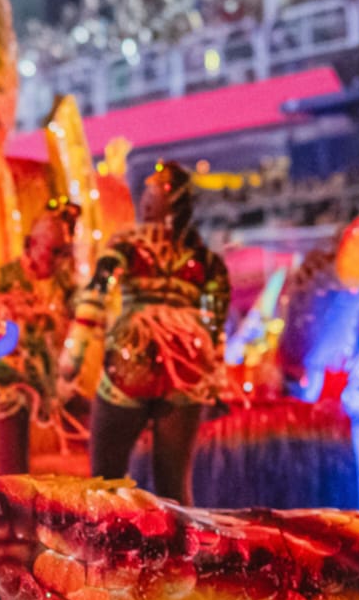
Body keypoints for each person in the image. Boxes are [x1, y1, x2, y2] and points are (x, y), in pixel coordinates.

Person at [58, 161, 230, 505]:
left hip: (133, 356)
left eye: (155, 193)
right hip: (187, 364)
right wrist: (216, 383)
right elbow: (214, 325)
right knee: (174, 484)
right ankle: (179, 551)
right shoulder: (205, 259)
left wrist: (71, 359)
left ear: (172, 200)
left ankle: (110, 549)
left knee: (106, 477)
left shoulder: (128, 244)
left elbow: (96, 294)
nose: (147, 199)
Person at [0, 197, 84, 473]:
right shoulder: (3, 278)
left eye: (65, 251)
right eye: (54, 251)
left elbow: (89, 323)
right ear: (31, 245)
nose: (60, 260)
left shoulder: (65, 286)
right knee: (13, 475)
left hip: (50, 389)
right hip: (7, 382)